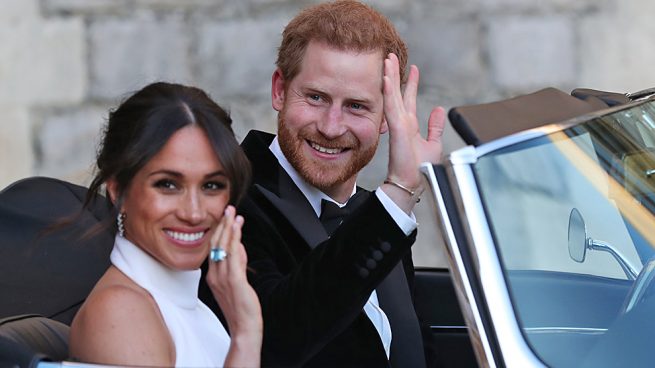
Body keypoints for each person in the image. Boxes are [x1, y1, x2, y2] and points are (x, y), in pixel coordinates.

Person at [198, 1, 446, 366]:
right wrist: (398, 193)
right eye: (315, 97)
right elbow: (273, 339)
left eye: (357, 106)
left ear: (385, 118)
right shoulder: (226, 196)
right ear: (280, 90)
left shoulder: (375, 214)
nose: (331, 127)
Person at [68, 82, 262, 367]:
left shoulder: (189, 305)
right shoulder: (120, 313)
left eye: (211, 185)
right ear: (118, 190)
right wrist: (246, 335)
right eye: (168, 185)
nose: (194, 213)